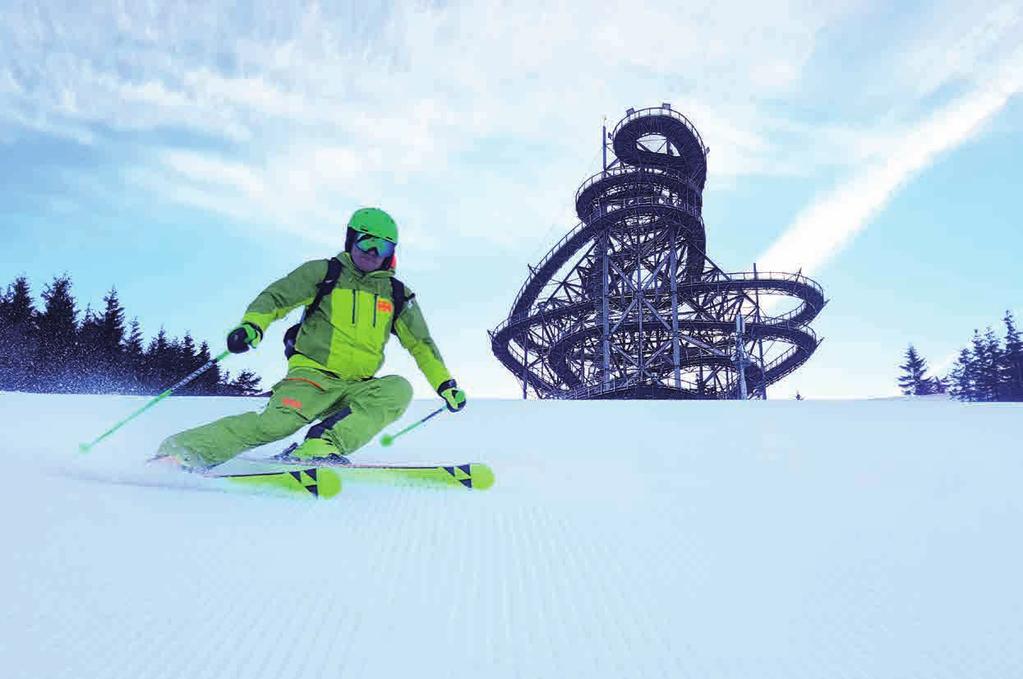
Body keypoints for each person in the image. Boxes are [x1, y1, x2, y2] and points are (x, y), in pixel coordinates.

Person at [156, 207, 466, 470]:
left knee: (397, 389)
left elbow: (422, 345)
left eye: (383, 248)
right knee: (276, 425)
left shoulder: (397, 294)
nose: (373, 253)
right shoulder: (324, 272)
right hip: (311, 379)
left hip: (357, 386)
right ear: (351, 239)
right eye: (367, 242)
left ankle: (319, 445)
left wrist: (445, 385)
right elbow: (276, 298)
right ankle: (183, 450)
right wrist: (252, 326)